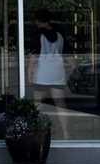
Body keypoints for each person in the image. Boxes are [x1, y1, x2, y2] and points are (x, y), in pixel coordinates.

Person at [29, 9, 70, 139]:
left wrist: (29, 74)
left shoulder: (37, 34)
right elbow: (70, 59)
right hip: (57, 72)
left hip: (42, 73)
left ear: (38, 20)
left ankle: (36, 131)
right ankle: (66, 133)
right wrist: (68, 72)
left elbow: (33, 58)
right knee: (60, 104)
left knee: (37, 104)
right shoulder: (60, 34)